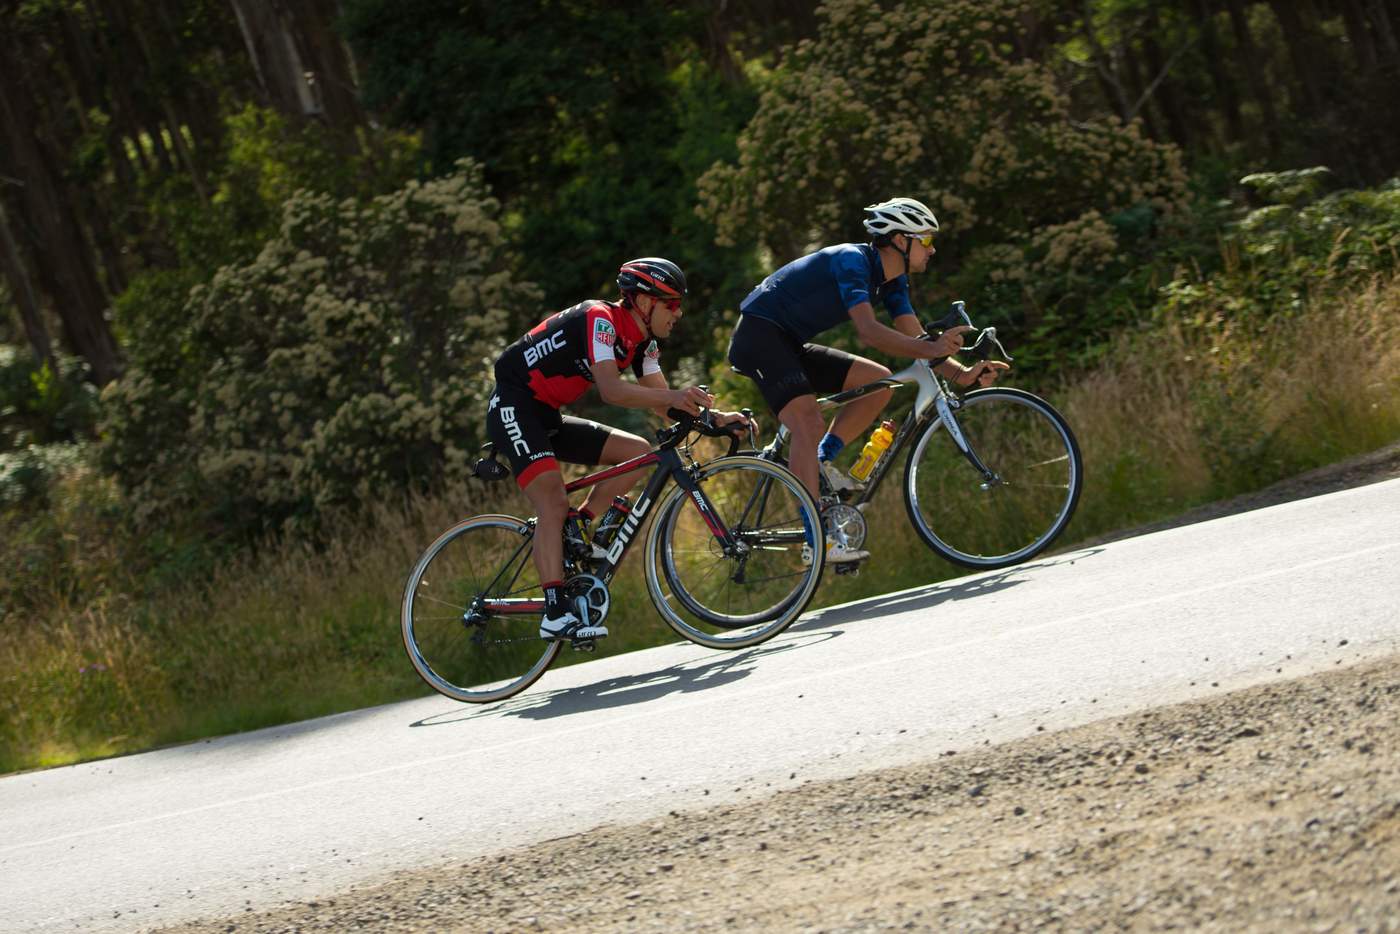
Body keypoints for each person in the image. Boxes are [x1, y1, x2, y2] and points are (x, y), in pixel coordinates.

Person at [727, 197, 1008, 563]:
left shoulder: (893, 280)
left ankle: (822, 460)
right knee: (807, 421)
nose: (932, 248)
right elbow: (869, 333)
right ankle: (817, 540)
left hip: (788, 342)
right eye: (925, 240)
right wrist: (932, 349)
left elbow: (918, 339)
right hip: (759, 337)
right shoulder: (852, 261)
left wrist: (962, 374)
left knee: (878, 383)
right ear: (899, 240)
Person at [486, 257, 751, 642]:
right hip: (513, 406)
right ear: (643, 302)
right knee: (552, 501)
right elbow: (612, 390)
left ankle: (576, 529)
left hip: (547, 415)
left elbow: (663, 404)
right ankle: (555, 613)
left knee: (637, 452)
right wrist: (678, 394)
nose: (678, 313)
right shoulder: (601, 319)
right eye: (671, 303)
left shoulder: (645, 344)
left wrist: (716, 419)